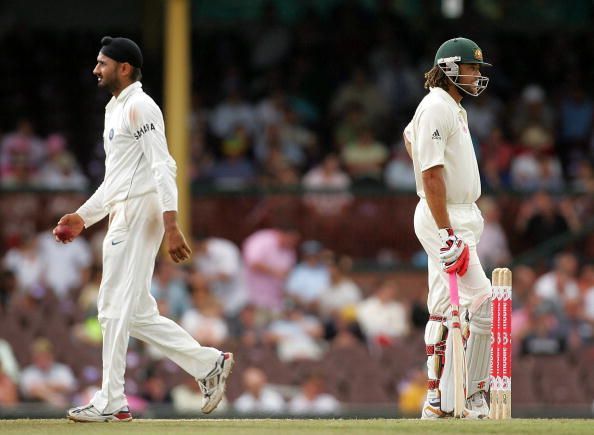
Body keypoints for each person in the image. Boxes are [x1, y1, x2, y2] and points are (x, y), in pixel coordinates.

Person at [53, 36, 233, 422]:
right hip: (125, 208)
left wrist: (172, 223)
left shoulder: (141, 105)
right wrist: (83, 216)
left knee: (111, 305)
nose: (95, 69)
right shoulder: (114, 109)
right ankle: (208, 365)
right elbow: (114, 182)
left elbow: (163, 166)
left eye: (102, 63)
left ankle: (111, 401)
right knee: (133, 313)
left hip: (141, 211)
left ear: (124, 68)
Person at [403, 37, 492, 419]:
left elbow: (409, 137)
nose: (476, 76)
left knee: (442, 309)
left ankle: (438, 401)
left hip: (458, 213)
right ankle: (472, 395)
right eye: (472, 68)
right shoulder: (436, 106)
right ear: (452, 68)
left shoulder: (451, 108)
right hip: (446, 215)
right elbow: (432, 173)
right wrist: (445, 231)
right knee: (487, 303)